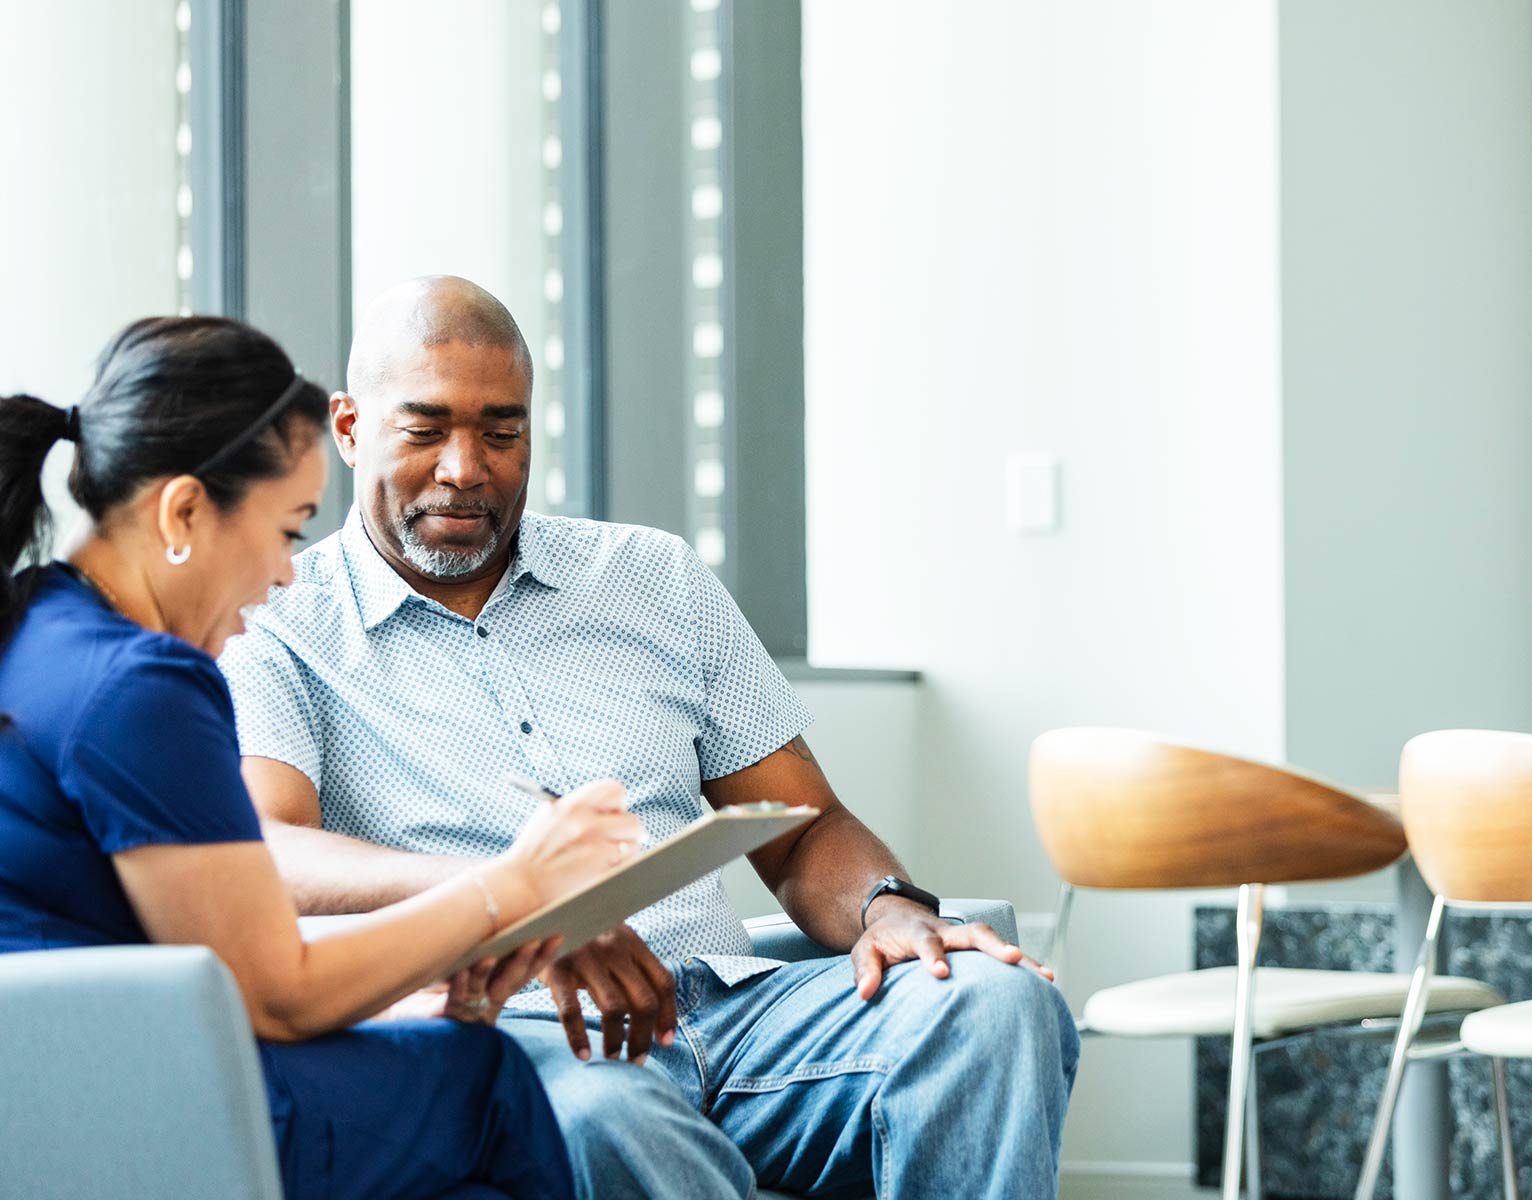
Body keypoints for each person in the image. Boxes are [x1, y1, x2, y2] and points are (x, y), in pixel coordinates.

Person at [220, 276, 1081, 1200]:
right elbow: (272, 852)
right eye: (425, 430)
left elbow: (804, 826)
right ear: (350, 429)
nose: (466, 467)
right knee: (602, 1121)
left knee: (993, 1005)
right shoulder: (278, 621)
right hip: (529, 1034)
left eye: (502, 432)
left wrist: (889, 907)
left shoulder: (651, 577)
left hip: (737, 1009)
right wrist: (523, 907)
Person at [0, 315, 645, 1200]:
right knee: (488, 1082)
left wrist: (395, 988)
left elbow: (201, 943)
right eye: (290, 530)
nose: (287, 577)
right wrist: (519, 884)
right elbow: (278, 994)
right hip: (138, 1096)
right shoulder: (142, 684)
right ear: (184, 511)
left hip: (65, 1082)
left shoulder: (31, 623)